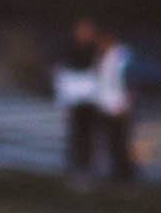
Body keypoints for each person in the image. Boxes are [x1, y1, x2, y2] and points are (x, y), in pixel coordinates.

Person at [53, 17, 103, 182]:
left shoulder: (96, 50)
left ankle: (87, 169)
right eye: (82, 31)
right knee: (76, 135)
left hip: (90, 100)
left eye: (88, 31)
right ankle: (75, 169)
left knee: (89, 136)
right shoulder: (69, 50)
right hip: (75, 100)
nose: (85, 34)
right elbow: (62, 75)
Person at [92, 23, 138, 183]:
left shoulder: (122, 55)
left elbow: (130, 80)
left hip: (119, 105)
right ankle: (115, 173)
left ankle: (126, 175)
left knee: (121, 142)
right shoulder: (102, 56)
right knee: (110, 141)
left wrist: (126, 103)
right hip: (105, 105)